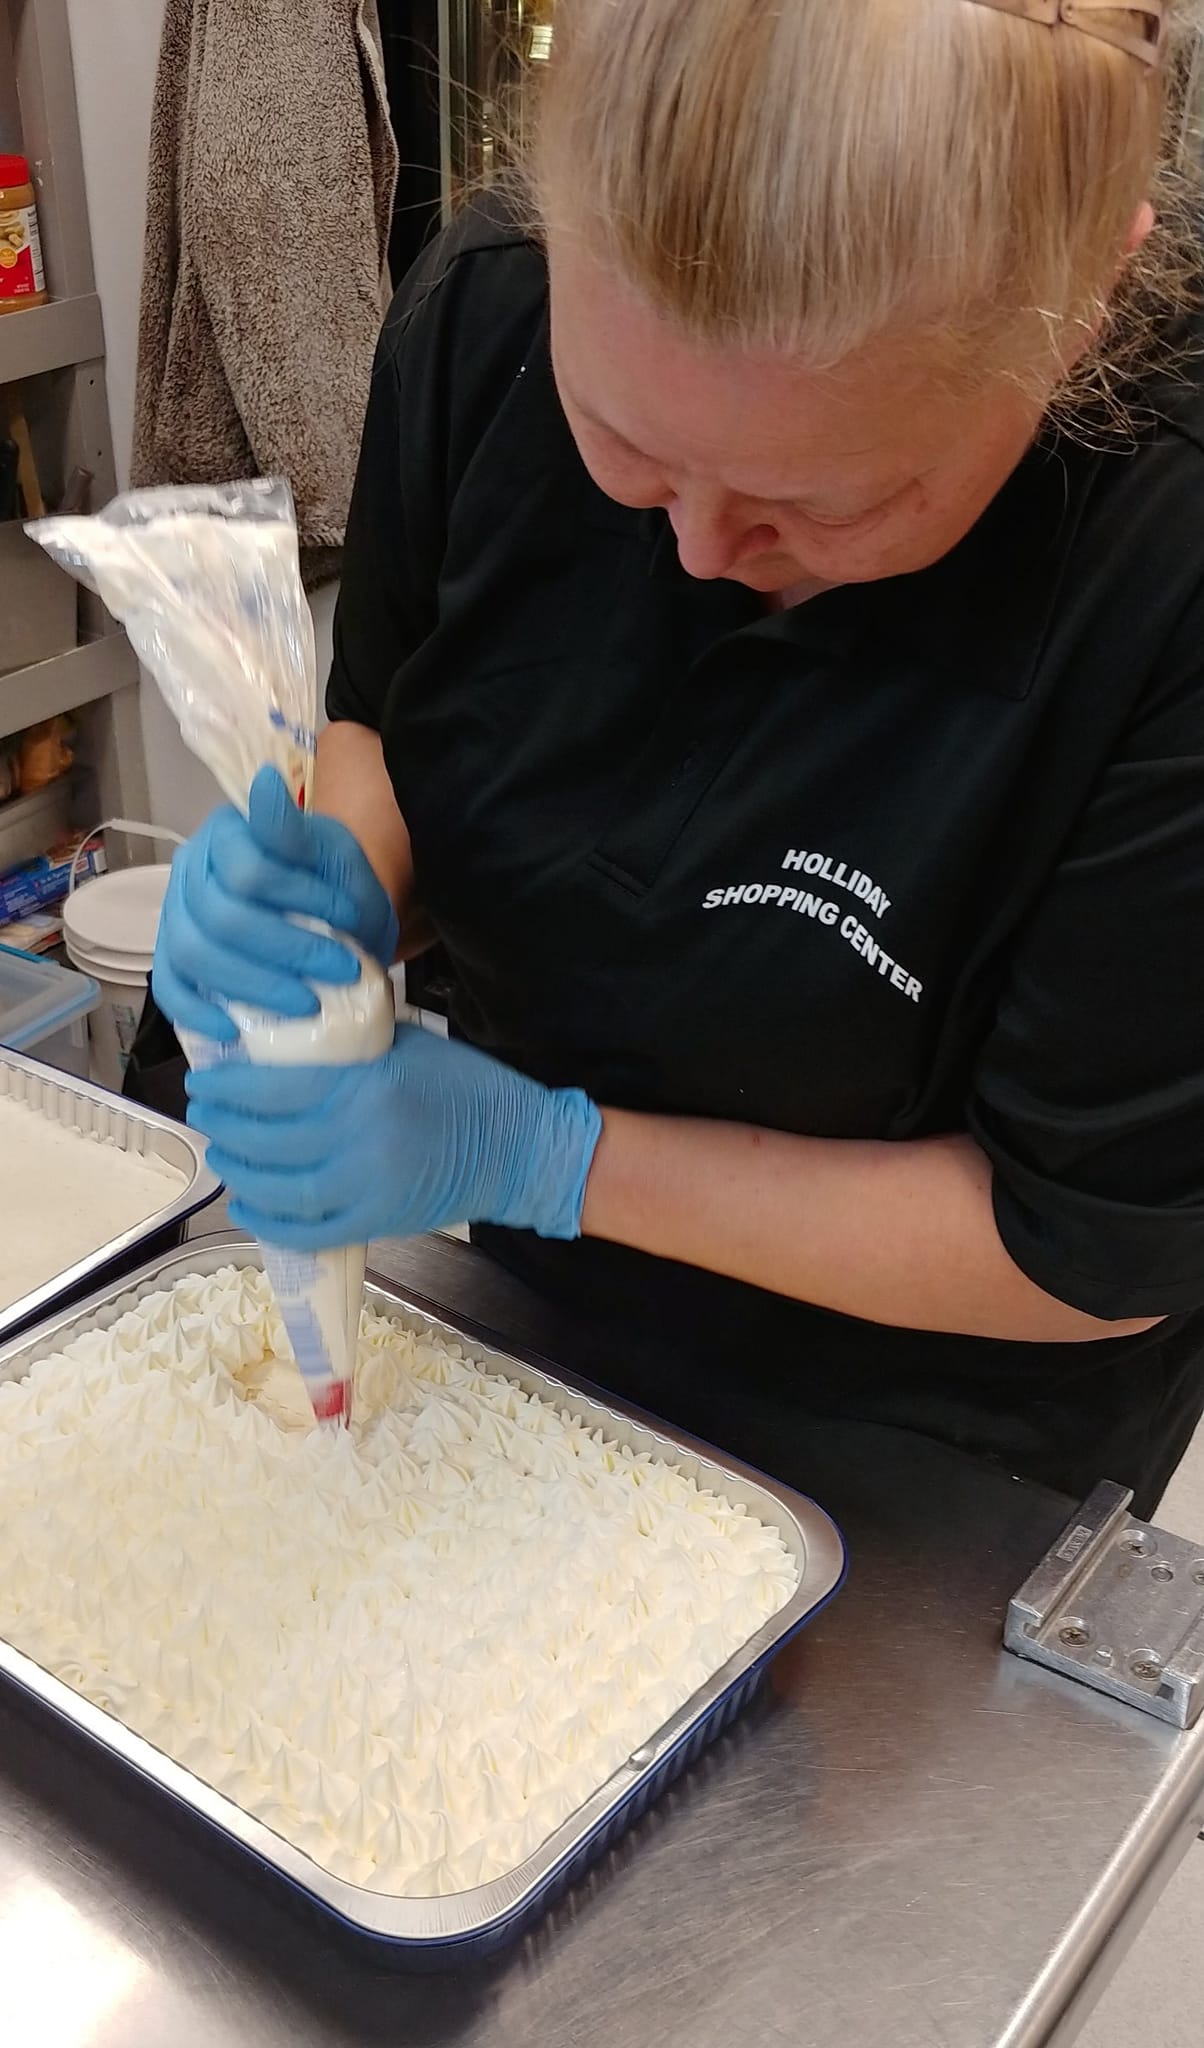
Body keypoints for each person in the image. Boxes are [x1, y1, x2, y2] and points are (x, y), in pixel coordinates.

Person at [156, 0, 1204, 1517]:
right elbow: (391, 718)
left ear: (1083, 314)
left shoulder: (1162, 564)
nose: (703, 549)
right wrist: (341, 885)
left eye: (828, 505)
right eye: (623, 444)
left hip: (936, 1458)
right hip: (525, 1331)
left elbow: (1085, 1245)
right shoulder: (487, 314)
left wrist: (543, 1156)